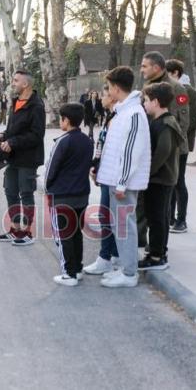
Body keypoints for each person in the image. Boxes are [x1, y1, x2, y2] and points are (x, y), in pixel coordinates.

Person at [96, 66, 151, 288]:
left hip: (122, 183)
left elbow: (131, 152)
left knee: (124, 226)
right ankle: (123, 268)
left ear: (117, 88)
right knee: (119, 225)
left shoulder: (134, 114)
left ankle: (129, 274)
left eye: (109, 87)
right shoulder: (124, 112)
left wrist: (122, 182)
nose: (108, 91)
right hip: (114, 179)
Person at [138, 52, 190, 245]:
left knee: (166, 196)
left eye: (144, 66)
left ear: (157, 68)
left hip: (171, 149)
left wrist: (167, 141)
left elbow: (183, 122)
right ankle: (142, 238)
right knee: (146, 198)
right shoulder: (147, 87)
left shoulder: (177, 89)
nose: (141, 69)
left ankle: (161, 240)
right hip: (150, 147)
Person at [0, 70, 46, 246]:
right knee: (10, 191)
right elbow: (13, 129)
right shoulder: (15, 102)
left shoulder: (37, 106)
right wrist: (4, 135)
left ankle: (27, 232)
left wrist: (13, 142)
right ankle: (15, 229)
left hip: (28, 159)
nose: (13, 83)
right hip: (13, 158)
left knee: (26, 194)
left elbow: (36, 135)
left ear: (25, 84)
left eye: (16, 80)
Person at [46, 103, 94, 286]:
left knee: (63, 235)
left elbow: (51, 168)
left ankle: (69, 273)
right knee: (76, 233)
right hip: (82, 195)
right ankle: (78, 268)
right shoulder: (87, 141)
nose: (60, 121)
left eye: (61, 118)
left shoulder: (63, 141)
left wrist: (47, 188)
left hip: (62, 196)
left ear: (66, 120)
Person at [140, 82, 185, 270]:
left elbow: (163, 151)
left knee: (157, 218)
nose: (144, 104)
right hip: (160, 178)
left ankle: (157, 256)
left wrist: (147, 172)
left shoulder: (166, 123)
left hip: (160, 179)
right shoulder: (159, 121)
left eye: (147, 100)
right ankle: (158, 251)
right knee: (159, 217)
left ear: (156, 102)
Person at [84, 84, 120, 275]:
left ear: (113, 96)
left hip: (112, 175)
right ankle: (112, 254)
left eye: (104, 95)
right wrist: (96, 165)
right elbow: (102, 145)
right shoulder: (110, 116)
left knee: (106, 216)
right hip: (105, 172)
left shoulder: (118, 117)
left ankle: (106, 257)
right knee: (107, 216)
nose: (101, 98)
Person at [165, 59, 196, 233]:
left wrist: (175, 138)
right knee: (169, 181)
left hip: (179, 144)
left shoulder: (186, 91)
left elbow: (188, 121)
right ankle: (169, 217)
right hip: (167, 144)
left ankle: (181, 219)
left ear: (175, 73)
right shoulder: (166, 89)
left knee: (178, 182)